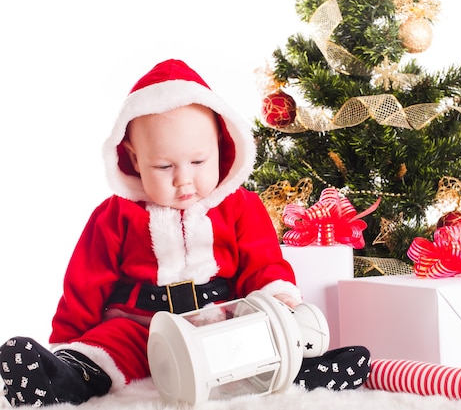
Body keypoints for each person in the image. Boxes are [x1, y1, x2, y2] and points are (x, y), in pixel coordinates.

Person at [0, 59, 370, 407]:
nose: (184, 179)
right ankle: (62, 375)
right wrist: (66, 340)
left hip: (219, 320)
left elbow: (264, 263)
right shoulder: (115, 216)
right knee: (104, 348)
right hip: (140, 327)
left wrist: (279, 301)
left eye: (197, 161)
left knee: (256, 341)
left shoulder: (239, 206)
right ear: (132, 159)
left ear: (222, 147)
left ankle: (303, 368)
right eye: (163, 166)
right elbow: (84, 282)